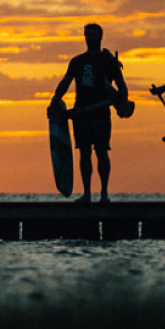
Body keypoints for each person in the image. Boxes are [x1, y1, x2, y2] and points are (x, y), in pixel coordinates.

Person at [49, 24, 129, 204]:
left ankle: (104, 194)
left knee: (102, 152)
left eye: (95, 34)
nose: (91, 37)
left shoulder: (109, 61)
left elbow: (121, 84)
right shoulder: (77, 61)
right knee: (84, 154)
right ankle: (86, 194)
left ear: (101, 37)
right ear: (85, 37)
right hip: (81, 115)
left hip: (101, 115)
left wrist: (123, 103)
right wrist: (55, 101)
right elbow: (65, 82)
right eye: (88, 34)